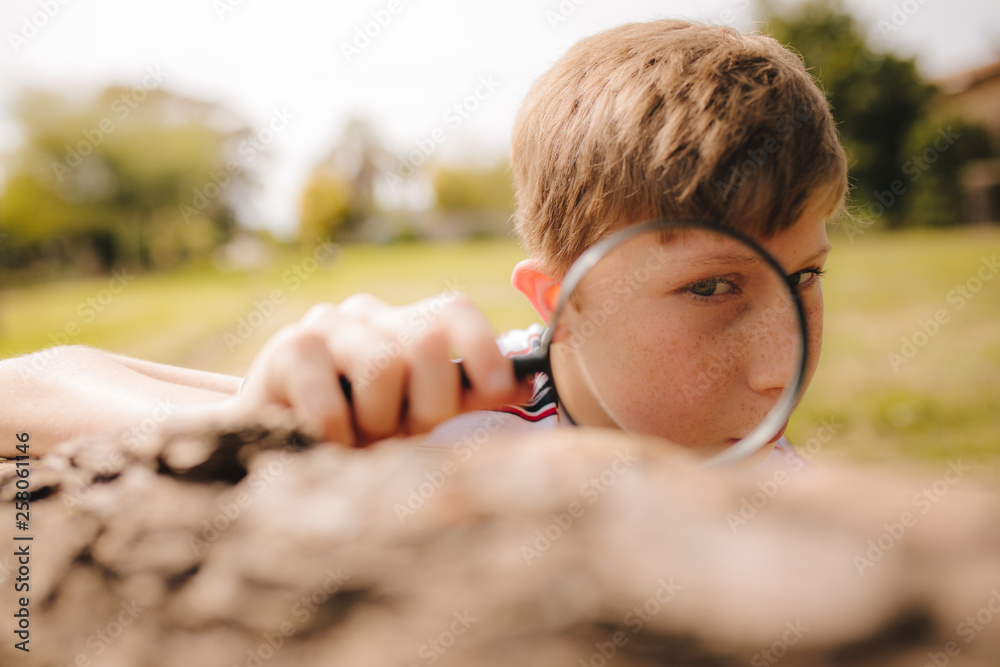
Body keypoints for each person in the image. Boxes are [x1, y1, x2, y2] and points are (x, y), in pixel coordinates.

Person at [0, 20, 846, 464]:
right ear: (562, 306)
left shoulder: (777, 484)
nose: (784, 365)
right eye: (712, 287)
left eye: (804, 276)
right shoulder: (455, 415)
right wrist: (244, 425)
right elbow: (23, 391)